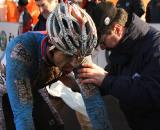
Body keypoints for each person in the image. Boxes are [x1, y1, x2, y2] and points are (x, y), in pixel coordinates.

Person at [5, 1, 105, 130]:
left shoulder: (78, 48)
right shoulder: (21, 50)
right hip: (6, 95)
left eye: (80, 57)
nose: (75, 63)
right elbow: (23, 116)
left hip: (35, 87)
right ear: (52, 47)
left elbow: (93, 102)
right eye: (69, 56)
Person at [78, 1, 160, 130]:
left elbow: (151, 92)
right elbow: (109, 80)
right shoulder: (121, 47)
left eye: (102, 42)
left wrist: (105, 80)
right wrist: (79, 80)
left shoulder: (155, 46)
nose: (102, 47)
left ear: (117, 29)